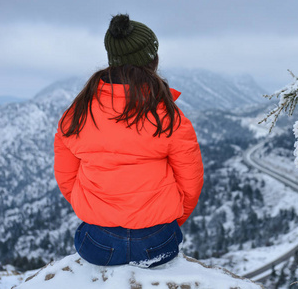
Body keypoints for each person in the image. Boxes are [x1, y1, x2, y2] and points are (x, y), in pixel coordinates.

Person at [53, 14, 204, 268]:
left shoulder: (77, 113)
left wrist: (94, 209)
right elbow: (191, 182)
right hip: (158, 241)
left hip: (98, 244)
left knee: (85, 234)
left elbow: (67, 179)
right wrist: (170, 220)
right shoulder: (168, 115)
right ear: (151, 60)